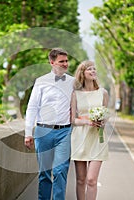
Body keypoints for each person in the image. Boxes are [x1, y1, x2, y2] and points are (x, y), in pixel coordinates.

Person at [24, 48, 75, 200]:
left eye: (66, 61)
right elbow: (32, 107)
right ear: (52, 63)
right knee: (44, 173)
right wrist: (28, 133)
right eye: (62, 61)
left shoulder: (73, 82)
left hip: (64, 132)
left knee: (61, 170)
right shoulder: (41, 81)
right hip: (43, 131)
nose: (65, 64)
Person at [70, 60, 109, 200]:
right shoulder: (75, 94)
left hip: (97, 140)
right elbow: (72, 120)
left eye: (94, 69)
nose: (93, 71)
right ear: (82, 73)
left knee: (91, 180)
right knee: (81, 180)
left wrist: (102, 121)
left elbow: (106, 115)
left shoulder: (103, 93)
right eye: (89, 69)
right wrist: (87, 121)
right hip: (80, 138)